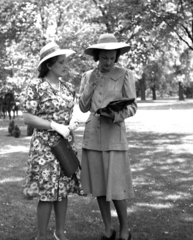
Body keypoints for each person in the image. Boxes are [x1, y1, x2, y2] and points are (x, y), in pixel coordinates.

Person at [21, 41, 83, 240]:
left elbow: (74, 111)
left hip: (64, 144)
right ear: (49, 65)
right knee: (47, 191)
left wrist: (73, 122)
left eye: (66, 62)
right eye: (61, 62)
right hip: (45, 146)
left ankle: (60, 233)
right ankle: (41, 236)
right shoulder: (36, 86)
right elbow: (28, 117)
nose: (66, 66)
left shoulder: (67, 88)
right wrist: (54, 125)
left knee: (62, 190)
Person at [79, 33, 137, 240]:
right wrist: (91, 85)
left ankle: (124, 228)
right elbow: (83, 107)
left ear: (117, 56)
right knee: (100, 187)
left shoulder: (125, 74)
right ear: (97, 56)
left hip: (114, 136)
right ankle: (108, 228)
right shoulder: (87, 76)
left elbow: (132, 107)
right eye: (104, 58)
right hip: (93, 137)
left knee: (117, 187)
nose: (108, 62)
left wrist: (115, 114)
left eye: (112, 58)